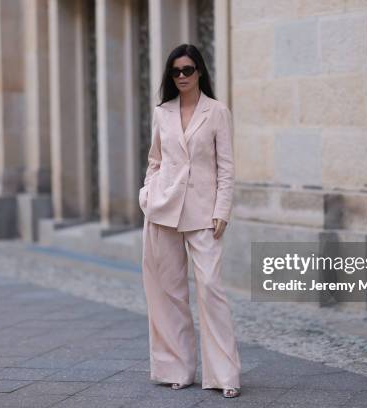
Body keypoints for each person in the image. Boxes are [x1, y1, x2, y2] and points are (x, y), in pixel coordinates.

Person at [139, 43, 241, 398]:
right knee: (168, 293)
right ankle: (175, 369)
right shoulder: (162, 112)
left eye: (188, 70)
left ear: (200, 71)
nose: (182, 76)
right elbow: (156, 160)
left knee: (211, 290)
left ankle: (224, 375)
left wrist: (221, 210)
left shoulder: (217, 112)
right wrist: (148, 194)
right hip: (163, 210)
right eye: (176, 71)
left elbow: (226, 167)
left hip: (203, 214)